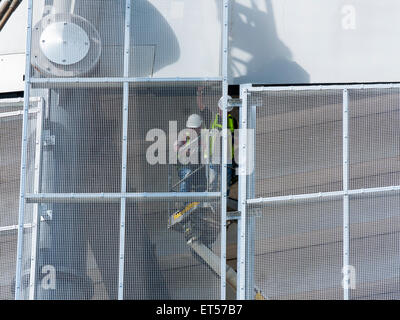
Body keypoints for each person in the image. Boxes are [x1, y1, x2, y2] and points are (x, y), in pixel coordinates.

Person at [174, 114, 205, 193]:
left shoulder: (203, 137)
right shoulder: (184, 136)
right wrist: (184, 151)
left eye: (195, 128)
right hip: (184, 166)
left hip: (198, 168)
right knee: (187, 176)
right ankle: (185, 203)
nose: (192, 130)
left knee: (201, 184)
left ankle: (198, 204)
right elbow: (176, 146)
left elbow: (206, 151)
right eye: (191, 128)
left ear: (200, 127)